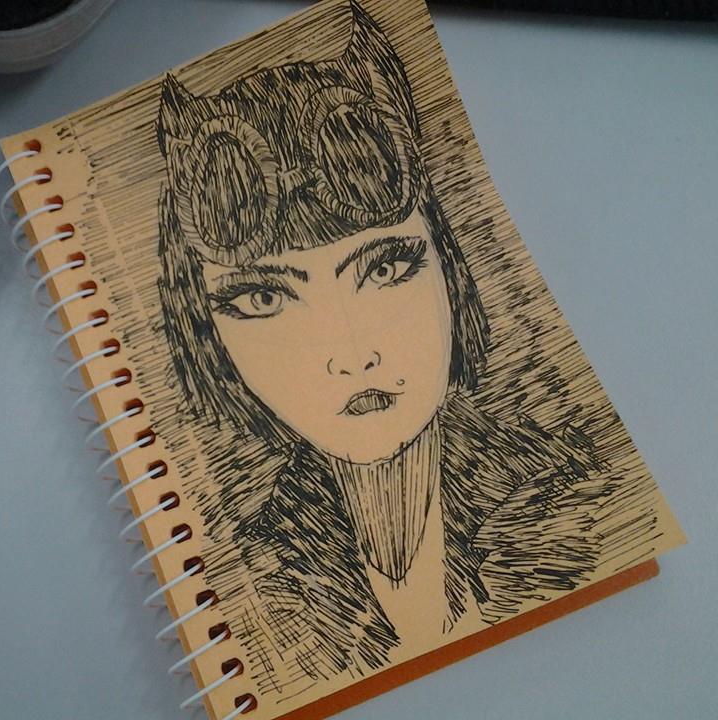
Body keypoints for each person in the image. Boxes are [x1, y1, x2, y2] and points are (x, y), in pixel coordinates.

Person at [157, 1, 613, 693]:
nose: (349, 354)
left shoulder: (574, 492)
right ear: (205, 332)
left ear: (446, 266)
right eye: (264, 299)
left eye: (385, 267)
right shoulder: (253, 576)